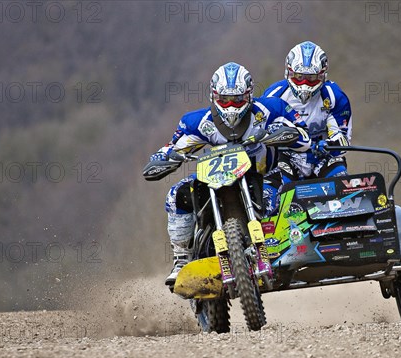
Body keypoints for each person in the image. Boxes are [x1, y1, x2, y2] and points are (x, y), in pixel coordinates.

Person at [150, 62, 310, 288]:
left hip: (262, 175)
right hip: (214, 180)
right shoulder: (197, 122)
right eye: (225, 100)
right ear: (214, 96)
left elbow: (304, 136)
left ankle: (284, 247)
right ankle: (181, 258)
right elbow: (174, 145)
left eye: (237, 100)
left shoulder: (272, 109)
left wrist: (287, 134)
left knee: (280, 201)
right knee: (177, 195)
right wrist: (162, 158)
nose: (232, 107)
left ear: (249, 95)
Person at [263, 41, 352, 183]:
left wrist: (330, 145)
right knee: (272, 194)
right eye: (299, 77)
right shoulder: (274, 95)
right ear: (289, 72)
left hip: (324, 157)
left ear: (322, 75)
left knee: (341, 182)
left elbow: (342, 139)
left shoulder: (334, 96)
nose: (304, 84)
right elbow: (261, 133)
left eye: (311, 78)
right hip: (286, 158)